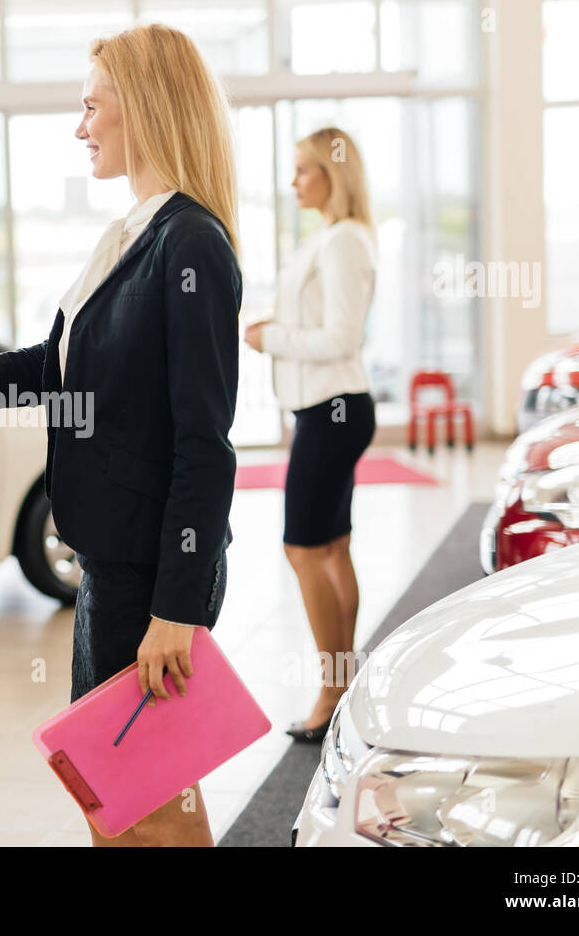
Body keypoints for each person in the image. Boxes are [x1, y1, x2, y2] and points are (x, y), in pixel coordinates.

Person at [0, 24, 242, 847]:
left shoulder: (190, 244)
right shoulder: (135, 235)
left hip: (151, 578)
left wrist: (176, 610)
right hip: (114, 564)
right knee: (126, 798)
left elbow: (205, 443)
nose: (81, 126)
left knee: (140, 807)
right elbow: (58, 367)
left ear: (142, 107)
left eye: (91, 105)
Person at [243, 126, 377, 743]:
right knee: (331, 548)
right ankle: (345, 683)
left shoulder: (344, 240)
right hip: (325, 408)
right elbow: (321, 323)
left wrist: (273, 338)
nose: (293, 181)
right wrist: (281, 326)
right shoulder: (330, 237)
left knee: (303, 549)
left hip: (334, 409)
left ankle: (331, 691)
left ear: (332, 173)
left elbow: (343, 339)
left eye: (303, 170)